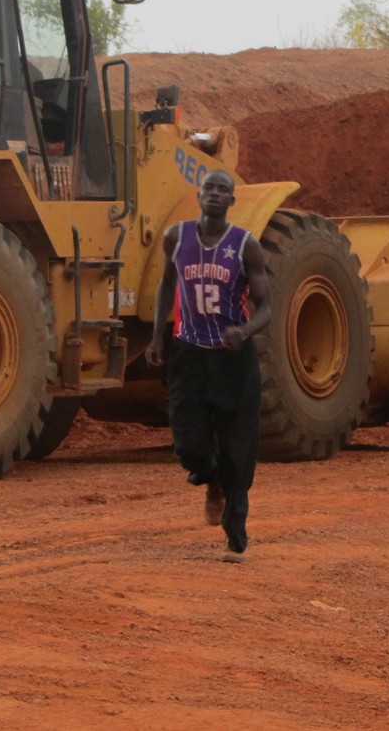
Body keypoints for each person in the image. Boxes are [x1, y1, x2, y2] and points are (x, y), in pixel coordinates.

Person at [145, 169, 272, 563]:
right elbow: (167, 284)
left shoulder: (246, 246)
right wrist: (155, 336)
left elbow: (267, 306)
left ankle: (236, 537)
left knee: (238, 449)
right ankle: (211, 478)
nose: (215, 195)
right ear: (198, 197)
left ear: (232, 202)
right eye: (209, 189)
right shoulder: (176, 238)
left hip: (232, 359)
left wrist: (245, 330)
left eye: (223, 191)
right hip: (189, 354)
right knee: (188, 443)